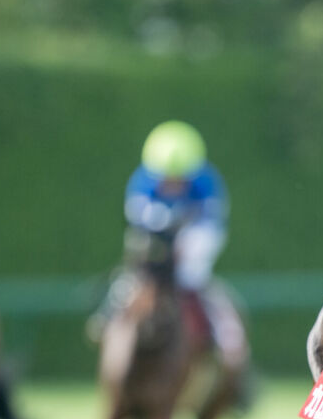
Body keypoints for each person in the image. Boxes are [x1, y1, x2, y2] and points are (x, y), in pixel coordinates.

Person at [88, 121, 248, 374]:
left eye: (179, 178)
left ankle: (227, 337)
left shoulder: (206, 182)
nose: (173, 183)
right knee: (133, 275)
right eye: (167, 178)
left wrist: (184, 244)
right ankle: (108, 314)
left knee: (194, 278)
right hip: (156, 238)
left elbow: (210, 225)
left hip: (195, 237)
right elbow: (138, 224)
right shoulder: (142, 181)